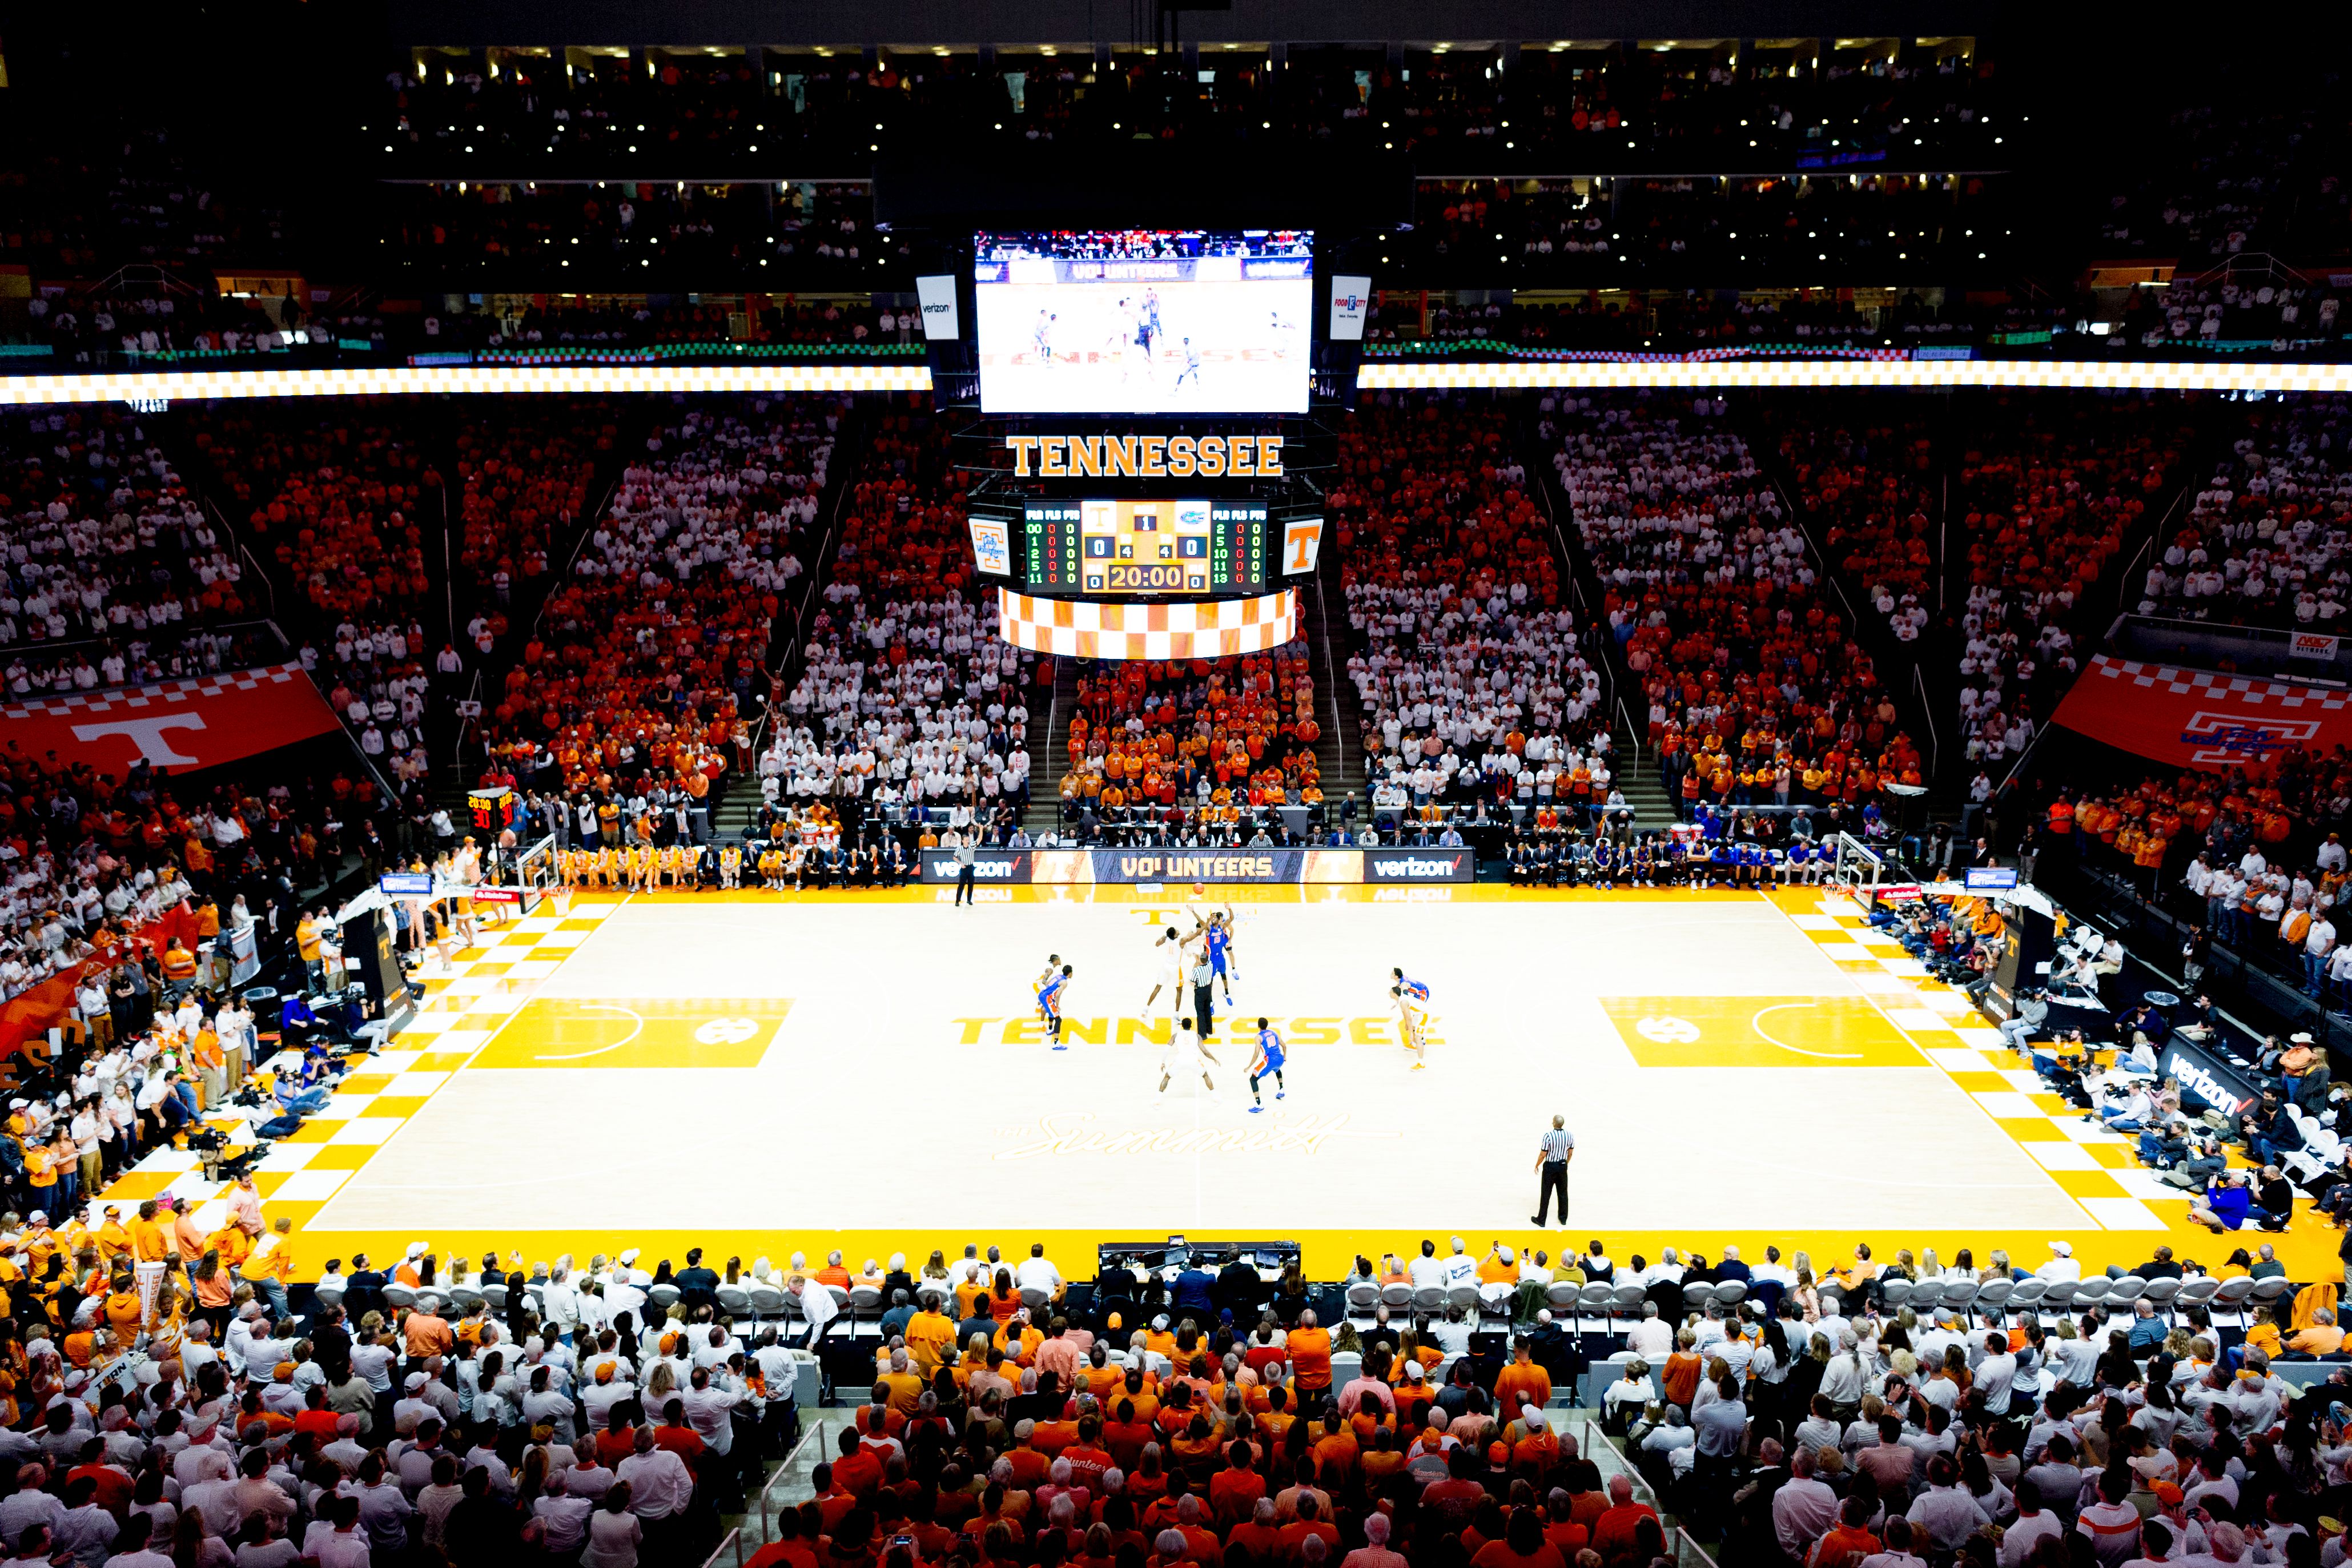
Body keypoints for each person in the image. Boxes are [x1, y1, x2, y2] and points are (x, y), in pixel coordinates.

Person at [1532, 1116, 1574, 1228]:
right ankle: (1563, 1218)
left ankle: (1541, 1220)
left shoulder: (1549, 1136)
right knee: (1563, 1194)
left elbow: (1543, 1154)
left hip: (1550, 1168)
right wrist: (1566, 1164)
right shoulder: (1570, 1135)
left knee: (1546, 1194)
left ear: (1554, 1124)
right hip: (1562, 1166)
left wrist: (1537, 1165)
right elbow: (1570, 1153)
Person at [1160, 1017, 1217, 1096]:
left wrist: (1163, 1062)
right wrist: (1214, 1059)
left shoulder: (1176, 1035)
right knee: (1205, 1076)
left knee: (1167, 1077)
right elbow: (1205, 1052)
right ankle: (1215, 1097)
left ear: (1182, 1026)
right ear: (1191, 1026)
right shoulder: (1197, 1036)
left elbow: (1166, 1050)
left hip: (1180, 1060)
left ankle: (1157, 1099)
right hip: (1193, 1060)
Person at [1247, 1019, 1286, 1112]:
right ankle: (1281, 1090)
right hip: (1280, 1059)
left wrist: (1249, 1066)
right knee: (1277, 1069)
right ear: (1267, 1025)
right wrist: (1285, 1057)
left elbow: (1256, 1053)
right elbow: (1284, 1046)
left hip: (1269, 1061)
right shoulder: (1274, 1033)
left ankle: (1259, 1104)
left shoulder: (1258, 1037)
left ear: (1258, 1026)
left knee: (1253, 1079)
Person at [1040, 965, 1072, 1050]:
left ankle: (1050, 1029)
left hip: (1043, 994)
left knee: (1052, 1011)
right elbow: (1058, 995)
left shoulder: (1058, 976)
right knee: (1058, 1019)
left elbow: (1047, 984)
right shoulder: (1065, 982)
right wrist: (1057, 1006)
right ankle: (1056, 1043)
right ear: (1070, 974)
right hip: (1048, 998)